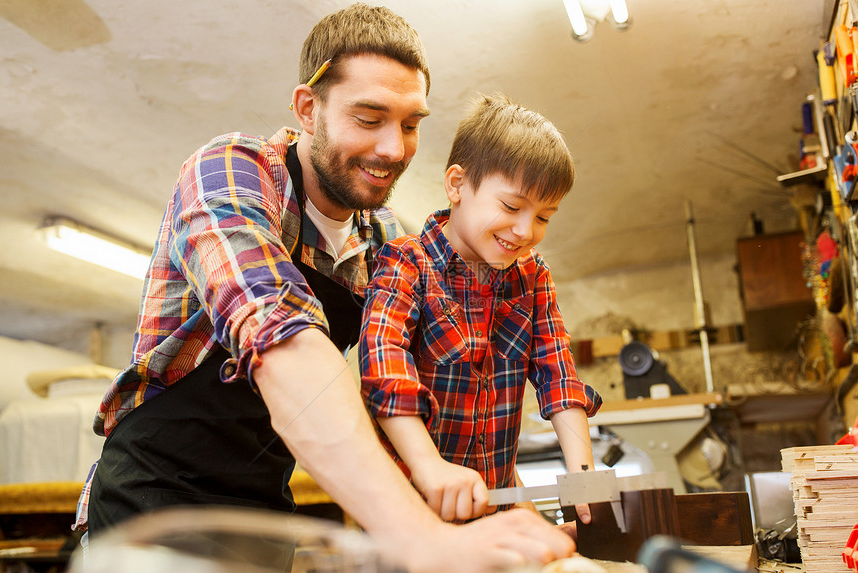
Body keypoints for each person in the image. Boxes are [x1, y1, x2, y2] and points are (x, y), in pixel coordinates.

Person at [74, 4, 576, 571]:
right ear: (308, 109)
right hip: (154, 504)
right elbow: (283, 342)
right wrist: (418, 537)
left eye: (411, 124)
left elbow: (417, 386)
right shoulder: (232, 172)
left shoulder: (386, 239)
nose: (394, 149)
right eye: (369, 118)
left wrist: (496, 494)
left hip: (264, 504)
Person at [359, 94, 603, 525]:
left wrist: (583, 474)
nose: (526, 231)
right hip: (410, 515)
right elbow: (385, 370)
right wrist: (429, 468)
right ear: (457, 185)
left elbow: (558, 376)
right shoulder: (406, 263)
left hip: (497, 512)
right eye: (511, 207)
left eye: (544, 216)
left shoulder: (533, 277)